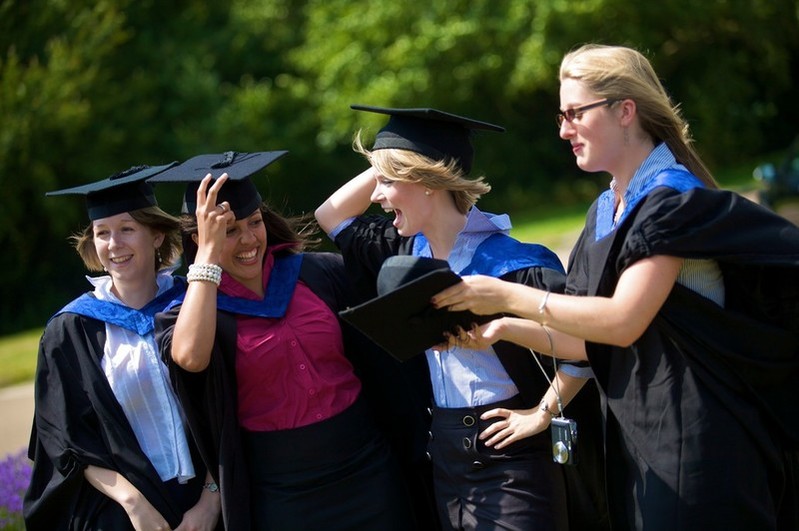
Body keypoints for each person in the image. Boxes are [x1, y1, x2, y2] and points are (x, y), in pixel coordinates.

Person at [431, 43, 799, 530]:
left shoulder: (671, 198)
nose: (563, 130)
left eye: (575, 113)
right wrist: (502, 329)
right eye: (560, 116)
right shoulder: (605, 209)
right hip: (637, 441)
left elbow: (623, 321)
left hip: (699, 442)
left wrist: (504, 295)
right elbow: (587, 340)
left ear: (625, 110)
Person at [315, 106, 606, 530]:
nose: (377, 195)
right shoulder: (403, 253)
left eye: (388, 183)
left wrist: (542, 413)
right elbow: (331, 215)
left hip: (511, 455)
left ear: (427, 183)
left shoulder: (514, 265)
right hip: (445, 457)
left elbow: (584, 347)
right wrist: (389, 154)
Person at [150, 151, 414, 530]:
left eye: (254, 222)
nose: (248, 239)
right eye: (228, 230)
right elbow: (190, 357)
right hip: (283, 492)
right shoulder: (192, 311)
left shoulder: (318, 274)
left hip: (367, 468)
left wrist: (398, 154)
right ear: (201, 237)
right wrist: (206, 255)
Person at [24, 164, 221, 530]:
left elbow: (226, 406)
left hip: (212, 501)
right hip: (125, 512)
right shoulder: (72, 329)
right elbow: (65, 437)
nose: (114, 245)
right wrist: (134, 504)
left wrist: (211, 500)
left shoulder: (194, 304)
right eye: (102, 233)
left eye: (127, 229)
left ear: (157, 235)